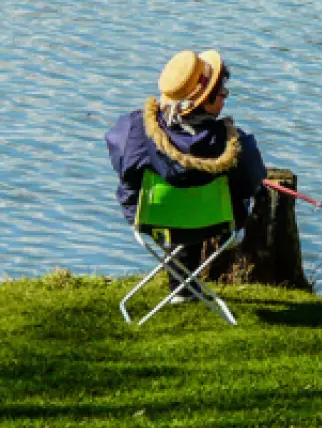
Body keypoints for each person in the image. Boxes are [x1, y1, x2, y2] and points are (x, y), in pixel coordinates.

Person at [106, 49, 266, 301]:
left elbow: (123, 166)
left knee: (170, 200)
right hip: (215, 223)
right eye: (222, 92)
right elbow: (251, 182)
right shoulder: (233, 143)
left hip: (151, 219)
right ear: (205, 100)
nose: (225, 97)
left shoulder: (134, 131)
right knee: (215, 196)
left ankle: (181, 286)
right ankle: (184, 286)